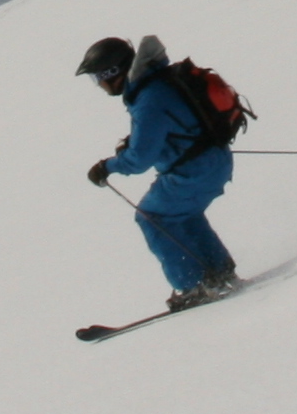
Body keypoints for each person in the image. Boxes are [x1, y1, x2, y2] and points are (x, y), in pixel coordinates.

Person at [79, 33, 238, 309]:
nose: (99, 85)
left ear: (112, 72)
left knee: (151, 216)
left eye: (97, 77)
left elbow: (139, 160)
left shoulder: (148, 99)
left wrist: (107, 167)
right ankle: (220, 273)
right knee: (181, 214)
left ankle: (193, 286)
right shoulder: (157, 82)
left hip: (193, 170)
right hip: (213, 160)